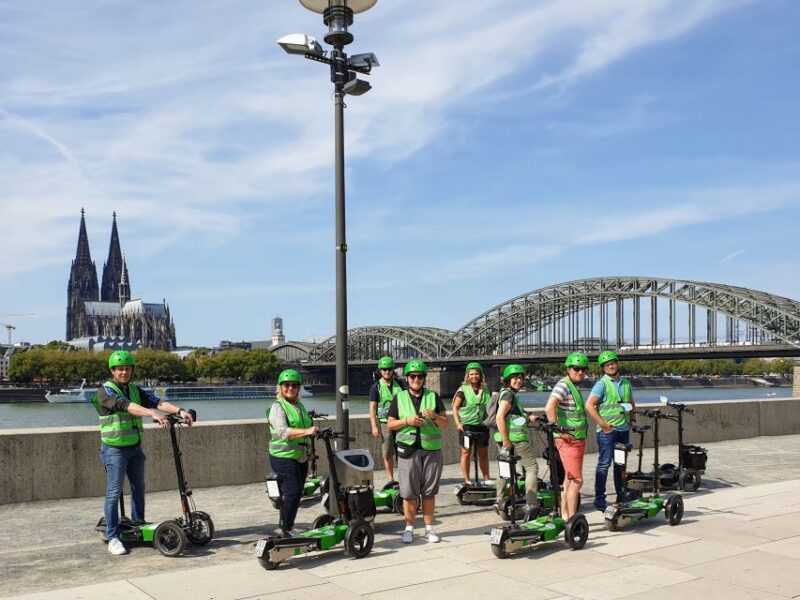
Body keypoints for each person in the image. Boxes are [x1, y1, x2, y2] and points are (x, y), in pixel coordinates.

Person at [93, 350, 193, 556]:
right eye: (120, 369)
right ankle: (113, 536)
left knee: (139, 487)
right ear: (112, 371)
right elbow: (125, 406)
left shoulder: (135, 389)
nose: (124, 372)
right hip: (114, 450)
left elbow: (157, 401)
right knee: (114, 492)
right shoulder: (105, 392)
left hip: (134, 448)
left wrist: (179, 411)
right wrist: (151, 414)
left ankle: (138, 523)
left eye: (127, 368)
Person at [387, 359, 448, 544]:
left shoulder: (433, 397)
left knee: (429, 492)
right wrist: (407, 421)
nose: (416, 379)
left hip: (431, 450)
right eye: (413, 376)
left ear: (424, 379)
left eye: (420, 376)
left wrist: (435, 416)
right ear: (407, 378)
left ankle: (429, 529)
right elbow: (390, 424)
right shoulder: (399, 398)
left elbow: (445, 424)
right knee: (409, 493)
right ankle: (409, 529)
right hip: (408, 450)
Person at [268, 369, 318, 537]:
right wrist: (307, 431)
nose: (291, 388)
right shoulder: (277, 407)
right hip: (283, 457)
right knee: (292, 492)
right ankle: (284, 529)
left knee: (296, 494)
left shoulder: (299, 405)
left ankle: (287, 527)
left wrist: (310, 452)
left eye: (294, 385)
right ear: (280, 387)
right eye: (287, 385)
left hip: (300, 456)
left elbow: (306, 429)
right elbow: (283, 431)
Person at [585, 350, 637, 511]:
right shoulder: (602, 384)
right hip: (607, 433)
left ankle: (621, 494)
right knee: (604, 464)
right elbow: (589, 405)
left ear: (617, 363)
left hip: (623, 429)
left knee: (620, 465)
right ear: (603, 368)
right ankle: (600, 498)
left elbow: (630, 403)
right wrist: (603, 424)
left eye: (612, 363)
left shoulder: (626, 383)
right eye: (607, 365)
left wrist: (633, 420)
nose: (611, 366)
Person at [545, 352, 589, 520]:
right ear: (568, 369)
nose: (580, 372)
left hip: (575, 439)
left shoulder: (572, 386)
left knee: (568, 480)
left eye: (583, 369)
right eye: (576, 369)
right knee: (577, 480)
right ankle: (572, 518)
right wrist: (559, 431)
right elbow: (549, 407)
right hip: (569, 440)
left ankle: (564, 516)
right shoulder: (563, 385)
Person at [494, 364, 540, 513]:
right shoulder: (509, 395)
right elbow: (500, 417)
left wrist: (527, 418)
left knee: (505, 470)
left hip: (505, 438)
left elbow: (512, 418)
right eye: (514, 378)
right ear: (507, 380)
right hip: (515, 439)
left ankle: (499, 501)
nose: (518, 381)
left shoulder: (505, 393)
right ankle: (531, 503)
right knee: (532, 468)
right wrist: (506, 439)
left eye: (520, 378)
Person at [452, 361, 491, 484]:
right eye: (471, 374)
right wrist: (458, 423)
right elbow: (455, 407)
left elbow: (490, 407)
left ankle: (486, 479)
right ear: (467, 376)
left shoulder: (485, 389)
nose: (474, 376)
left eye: (476, 374)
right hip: (467, 427)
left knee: (483, 454)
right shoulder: (463, 390)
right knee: (466, 453)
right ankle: (467, 479)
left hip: (481, 426)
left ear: (480, 375)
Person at [368, 355, 405, 484]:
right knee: (388, 453)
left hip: (400, 423)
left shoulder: (400, 384)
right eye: (384, 369)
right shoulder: (376, 387)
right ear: (380, 371)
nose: (387, 372)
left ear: (393, 370)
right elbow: (372, 408)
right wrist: (374, 426)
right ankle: (391, 479)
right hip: (385, 424)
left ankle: (404, 477)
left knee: (403, 451)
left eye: (389, 369)